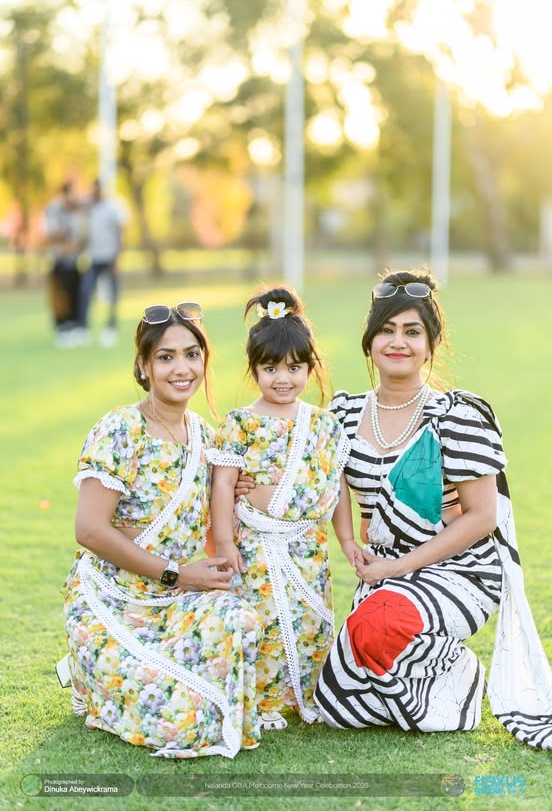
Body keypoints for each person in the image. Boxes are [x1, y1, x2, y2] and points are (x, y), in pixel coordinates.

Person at [314, 269, 552, 751]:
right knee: (336, 707)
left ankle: (459, 683)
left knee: (378, 626)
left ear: (431, 344)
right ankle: (413, 659)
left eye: (412, 332)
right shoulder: (342, 414)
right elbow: (329, 487)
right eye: (387, 330)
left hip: (459, 568)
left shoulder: (457, 417)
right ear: (370, 341)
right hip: (385, 572)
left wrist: (400, 565)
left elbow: (482, 517)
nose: (397, 342)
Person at [57, 302, 264, 758]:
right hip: (115, 598)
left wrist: (233, 492)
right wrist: (176, 573)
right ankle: (94, 673)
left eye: (192, 354)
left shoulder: (207, 438)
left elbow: (206, 526)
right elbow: (89, 530)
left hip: (177, 602)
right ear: (143, 366)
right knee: (179, 721)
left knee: (242, 621)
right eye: (166, 357)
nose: (182, 368)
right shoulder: (121, 429)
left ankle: (127, 676)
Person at [207, 286, 351, 731]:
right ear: (254, 370)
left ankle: (305, 692)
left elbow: (338, 485)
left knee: (310, 619)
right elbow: (223, 483)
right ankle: (264, 698)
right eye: (270, 368)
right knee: (263, 620)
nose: (282, 379)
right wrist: (226, 541)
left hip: (307, 545)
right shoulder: (241, 422)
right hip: (254, 544)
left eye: (294, 367)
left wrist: (347, 539)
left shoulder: (324, 424)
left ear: (311, 366)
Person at [79, 179, 127, 347]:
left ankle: (110, 329)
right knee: (85, 293)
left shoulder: (114, 207)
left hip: (109, 257)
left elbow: (120, 233)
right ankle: (83, 329)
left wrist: (117, 258)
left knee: (113, 295)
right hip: (93, 257)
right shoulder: (89, 207)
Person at [43, 181, 86, 347]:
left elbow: (81, 236)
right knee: (60, 296)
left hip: (74, 260)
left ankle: (75, 327)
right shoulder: (54, 208)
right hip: (59, 261)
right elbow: (52, 234)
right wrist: (66, 239)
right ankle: (61, 327)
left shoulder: (77, 211)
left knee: (75, 294)